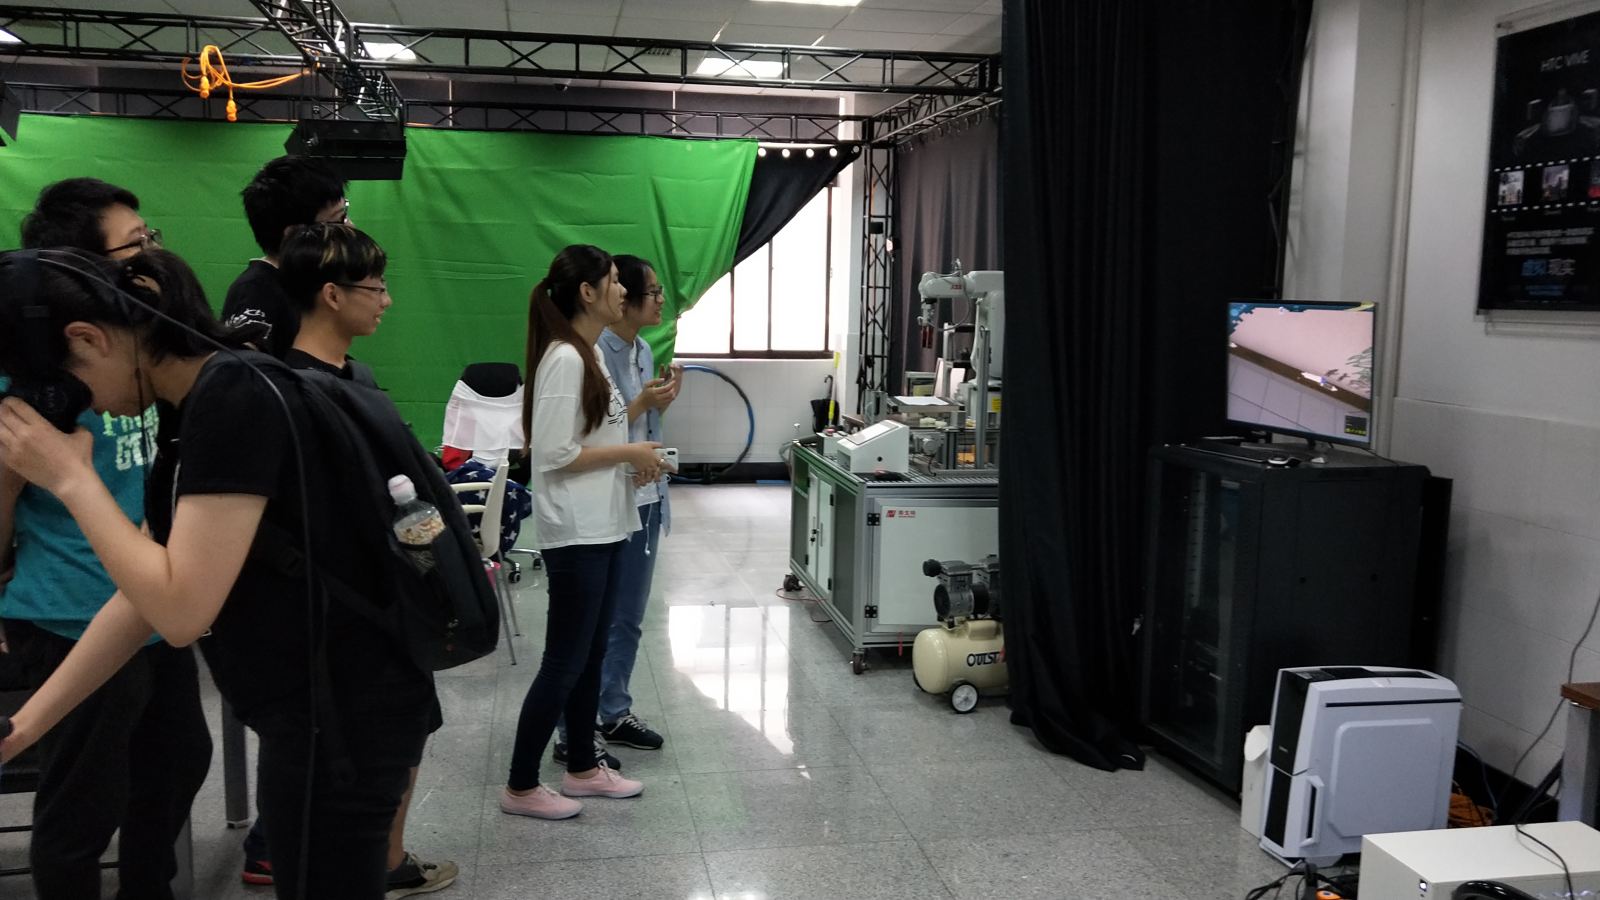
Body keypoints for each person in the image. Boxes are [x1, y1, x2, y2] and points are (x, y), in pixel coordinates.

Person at [0, 247, 438, 900]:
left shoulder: (234, 397)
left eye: (64, 387)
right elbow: (143, 594)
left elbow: (181, 613)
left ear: (88, 339)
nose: (77, 409)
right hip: (314, 714)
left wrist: (70, 478)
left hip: (346, 721)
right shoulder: (197, 399)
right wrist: (25, 728)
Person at [0, 180, 207, 900]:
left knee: (178, 763)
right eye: (134, 245)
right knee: (83, 807)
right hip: (71, 612)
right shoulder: (38, 374)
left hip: (150, 601)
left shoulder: (142, 351)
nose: (151, 255)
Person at [276, 223, 458, 897]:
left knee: (404, 746)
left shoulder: (355, 377)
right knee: (347, 795)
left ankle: (389, 859)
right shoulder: (291, 391)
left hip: (391, 620)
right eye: (375, 287)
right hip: (346, 637)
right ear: (331, 294)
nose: (386, 300)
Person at [500, 245, 662, 820]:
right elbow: (553, 453)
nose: (624, 290)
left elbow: (592, 440)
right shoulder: (566, 358)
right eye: (614, 281)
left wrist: (633, 462)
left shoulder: (587, 353)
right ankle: (521, 785)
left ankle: (584, 769)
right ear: (587, 293)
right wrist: (629, 452)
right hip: (576, 532)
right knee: (564, 661)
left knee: (591, 653)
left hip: (606, 523)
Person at [553, 255, 679, 762]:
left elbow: (637, 427)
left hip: (645, 495)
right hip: (606, 501)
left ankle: (613, 710)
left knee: (627, 617)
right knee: (591, 625)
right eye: (652, 292)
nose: (659, 300)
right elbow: (586, 436)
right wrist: (643, 405)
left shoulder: (643, 349)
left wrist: (658, 405)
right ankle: (572, 731)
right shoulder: (586, 354)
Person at [221, 156, 350, 359]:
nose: (349, 227)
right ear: (294, 235)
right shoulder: (256, 292)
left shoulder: (302, 284)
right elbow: (239, 371)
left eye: (345, 213)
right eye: (338, 220)